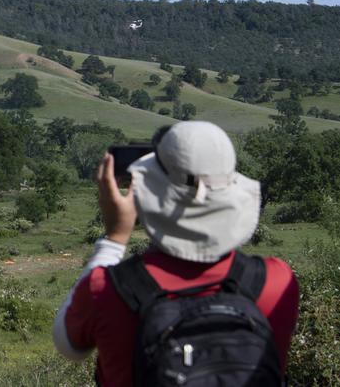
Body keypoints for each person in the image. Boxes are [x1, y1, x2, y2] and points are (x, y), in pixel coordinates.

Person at [52, 121, 299, 385]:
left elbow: (70, 346)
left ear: (151, 194)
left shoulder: (108, 290)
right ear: (231, 195)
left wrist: (114, 238)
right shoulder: (276, 281)